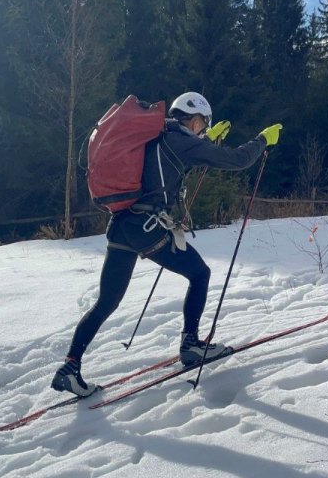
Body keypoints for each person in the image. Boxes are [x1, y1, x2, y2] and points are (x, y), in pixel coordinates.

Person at [51, 92, 282, 396]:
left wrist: (207, 141)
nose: (202, 130)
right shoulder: (183, 141)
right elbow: (236, 160)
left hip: (122, 226)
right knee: (199, 274)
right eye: (203, 125)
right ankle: (191, 346)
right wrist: (262, 140)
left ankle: (70, 366)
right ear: (195, 118)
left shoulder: (155, 136)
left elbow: (170, 167)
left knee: (106, 302)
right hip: (146, 228)